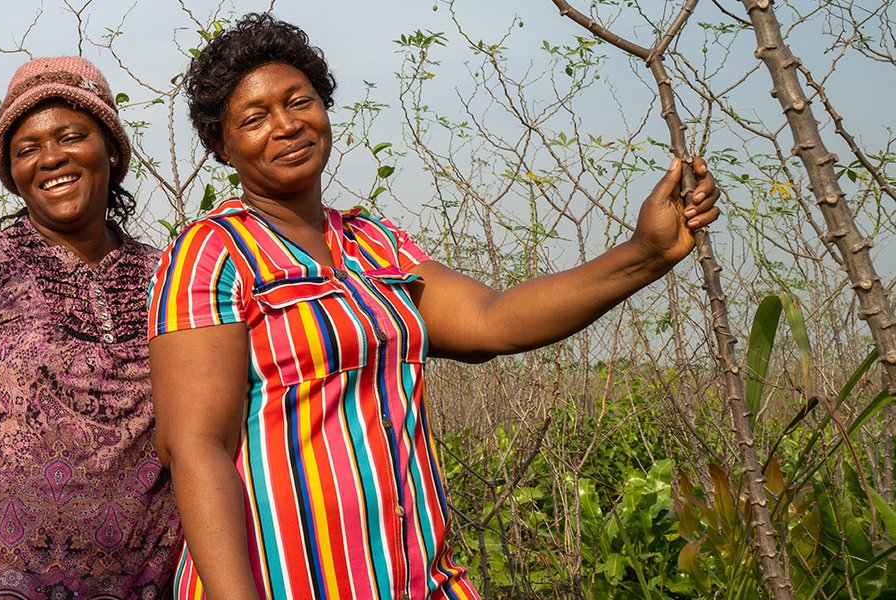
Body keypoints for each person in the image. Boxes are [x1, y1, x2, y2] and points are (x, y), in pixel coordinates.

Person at [149, 13, 720, 600]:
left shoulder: (376, 241)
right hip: (286, 582)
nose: (287, 125)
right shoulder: (210, 254)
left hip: (416, 578)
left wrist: (645, 253)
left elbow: (490, 321)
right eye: (254, 118)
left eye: (301, 102)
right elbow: (194, 446)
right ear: (222, 145)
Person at [0, 56, 181, 599]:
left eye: (71, 136)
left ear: (111, 148)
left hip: (153, 579)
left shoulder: (170, 274)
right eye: (27, 149)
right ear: (12, 172)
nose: (51, 159)